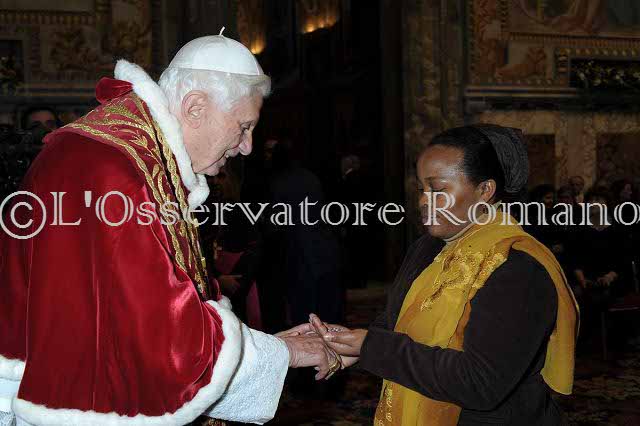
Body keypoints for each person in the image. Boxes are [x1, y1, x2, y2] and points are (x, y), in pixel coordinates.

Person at [0, 34, 341, 426]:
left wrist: (264, 346)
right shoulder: (112, 169)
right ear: (195, 107)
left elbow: (166, 305)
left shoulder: (133, 151)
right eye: (244, 127)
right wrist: (286, 354)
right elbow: (163, 344)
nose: (247, 146)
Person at [308, 124, 579, 425]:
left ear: (484, 191)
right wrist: (350, 345)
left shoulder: (519, 267)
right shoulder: (427, 247)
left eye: (438, 190)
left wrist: (372, 346)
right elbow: (397, 318)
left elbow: (480, 383)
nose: (424, 201)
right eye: (422, 190)